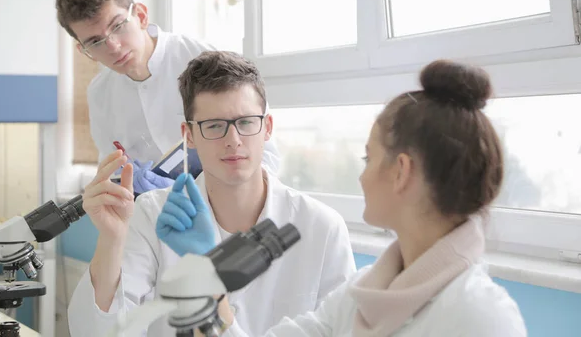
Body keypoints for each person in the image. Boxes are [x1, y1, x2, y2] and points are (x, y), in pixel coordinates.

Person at [169, 60, 528, 336]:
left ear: (401, 171)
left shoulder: (480, 315)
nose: (361, 175)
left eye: (368, 159)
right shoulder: (366, 291)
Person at [67, 51, 356, 336]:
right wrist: (111, 239)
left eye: (245, 122)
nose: (233, 141)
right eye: (215, 126)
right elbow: (96, 332)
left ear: (267, 127)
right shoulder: (154, 215)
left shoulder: (322, 227)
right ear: (189, 135)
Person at [54, 0, 281, 193]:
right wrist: (125, 183)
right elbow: (112, 168)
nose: (113, 46)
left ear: (141, 15)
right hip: (153, 218)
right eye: (95, 41)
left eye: (118, 26)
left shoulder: (203, 60)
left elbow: (265, 158)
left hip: (226, 211)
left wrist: (198, 193)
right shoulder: (100, 93)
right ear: (84, 50)